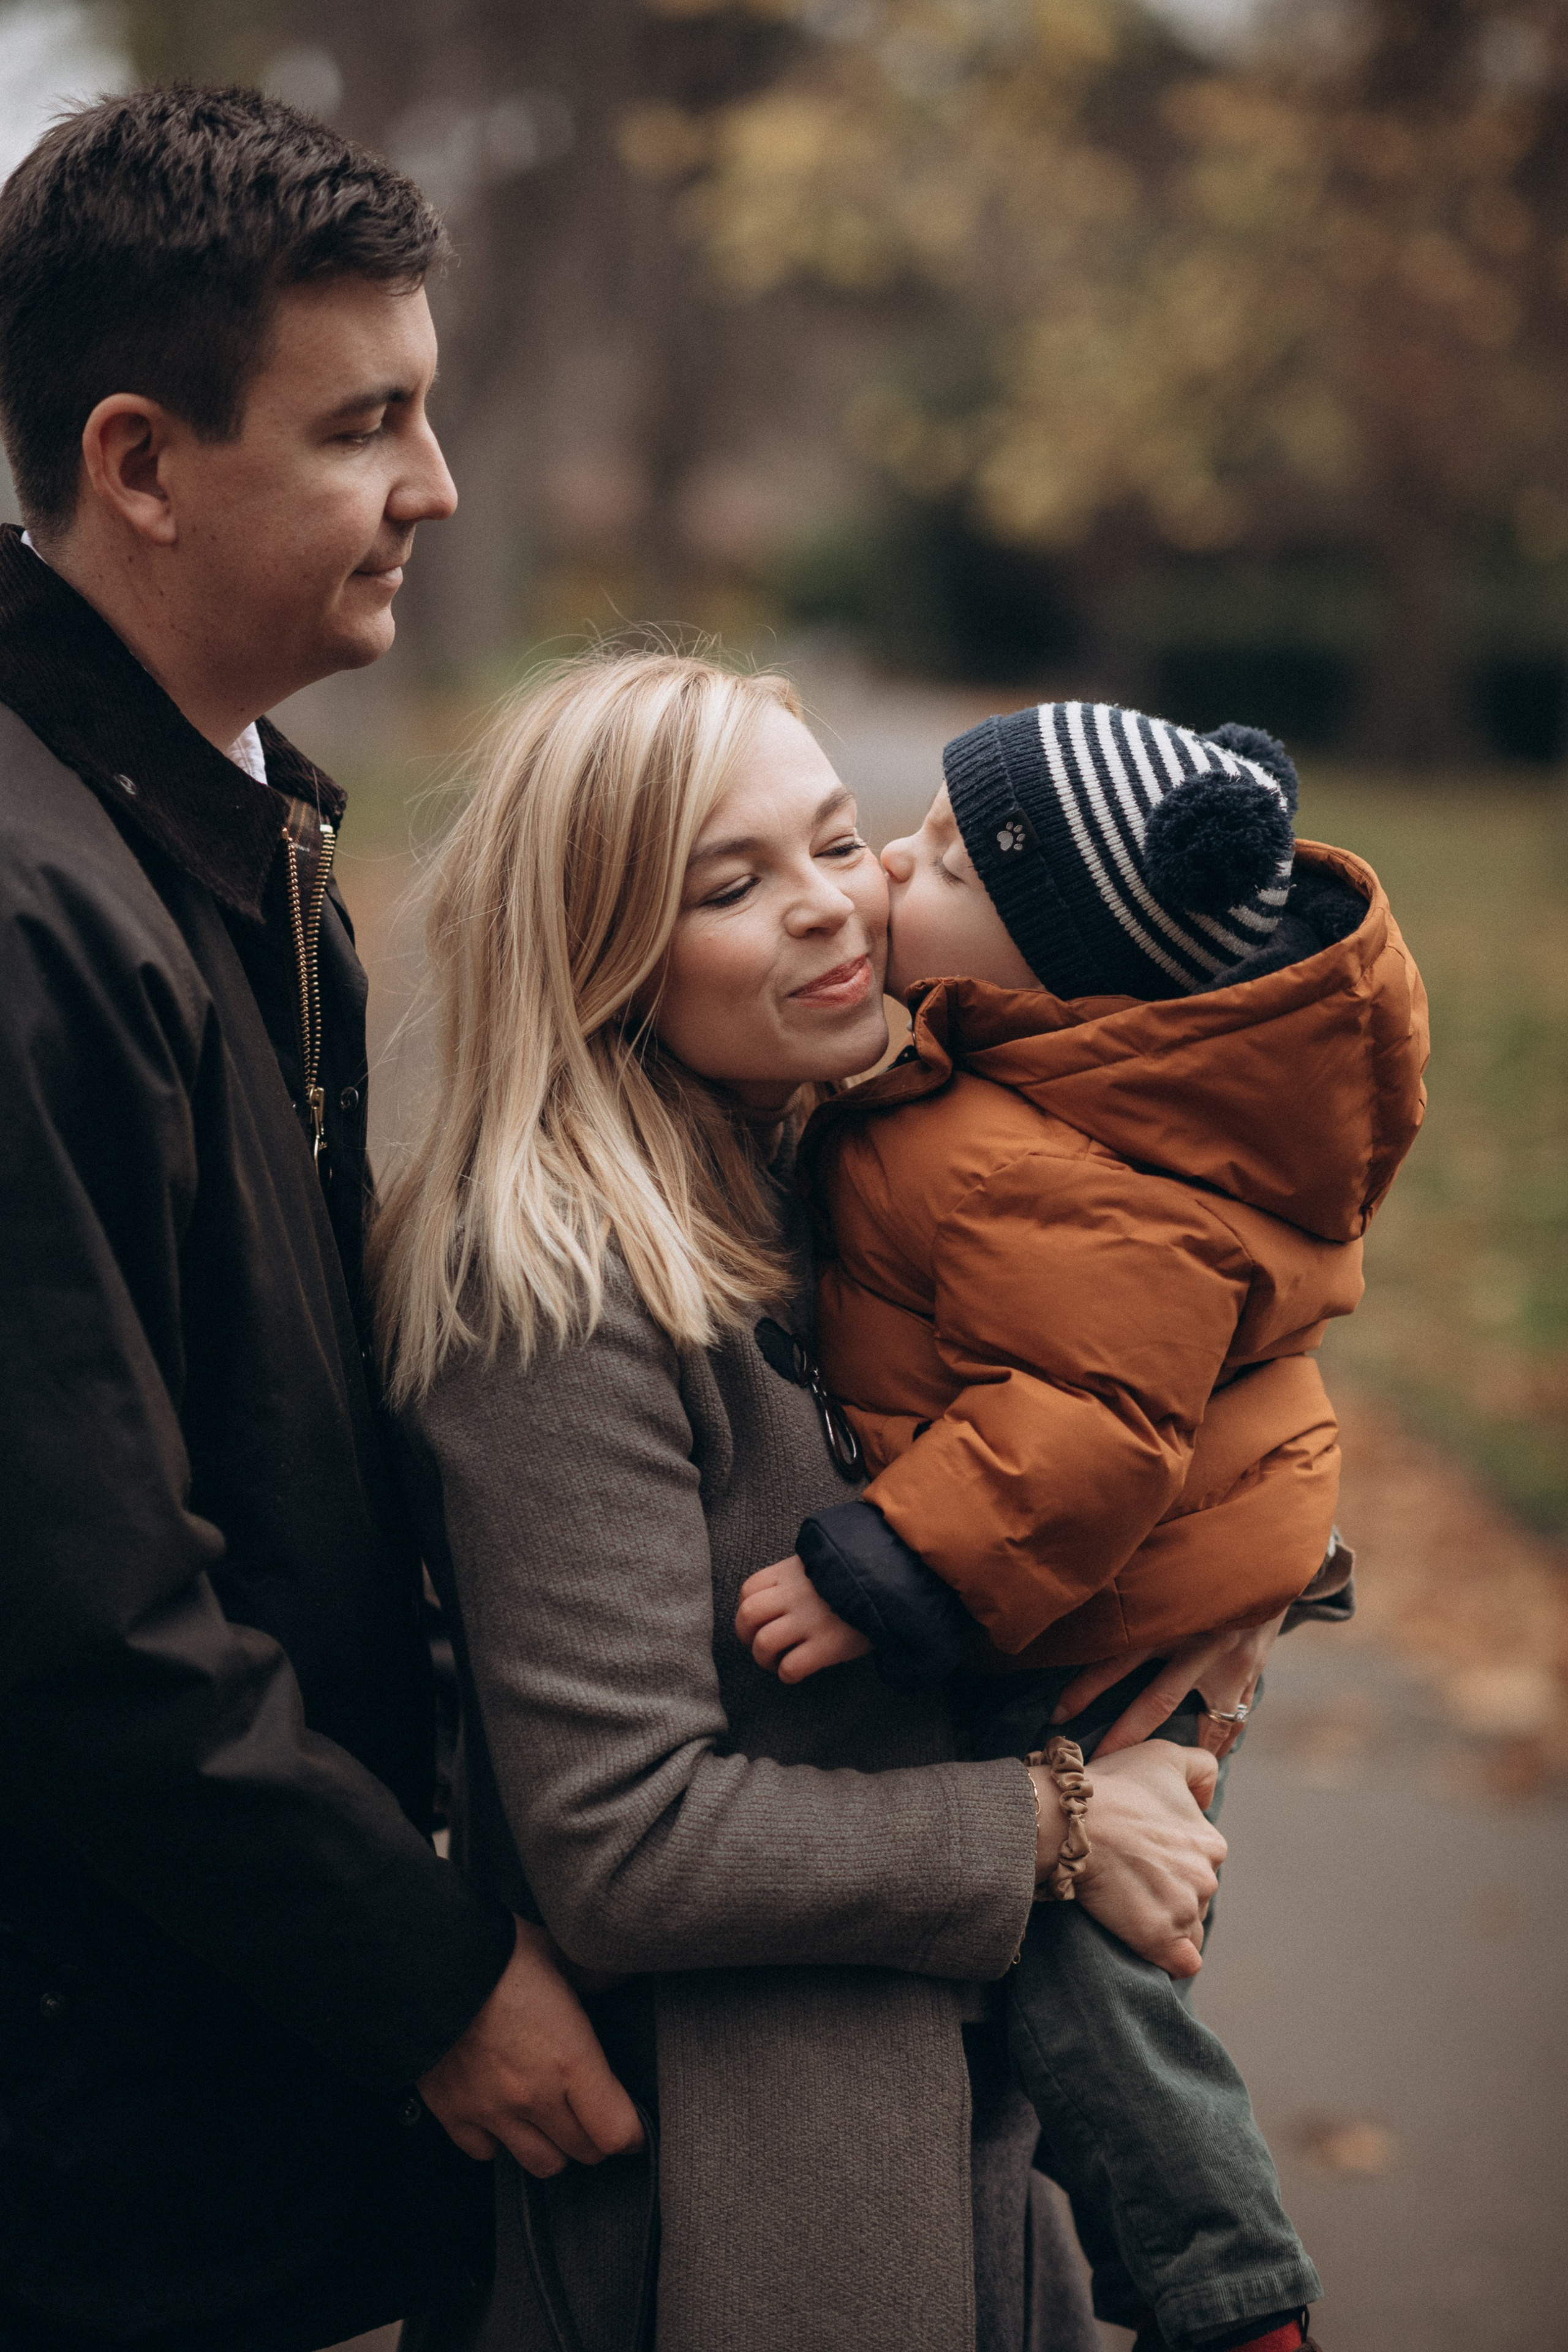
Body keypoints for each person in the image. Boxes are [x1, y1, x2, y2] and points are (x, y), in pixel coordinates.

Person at [372, 650, 1237, 2352]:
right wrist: (1055, 1828)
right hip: (739, 2194)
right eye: (735, 884)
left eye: (839, 843)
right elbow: (622, 1838)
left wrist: (1252, 1589)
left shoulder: (844, 1172)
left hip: (955, 2128)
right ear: (606, 948)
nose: (836, 909)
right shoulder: (549, 1290)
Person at [0, 87, 639, 2352]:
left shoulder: (222, 825)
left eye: (431, 412)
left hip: (228, 2067)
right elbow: (80, 1616)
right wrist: (438, 1981)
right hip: (104, 2150)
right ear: (139, 462)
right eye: (367, 425)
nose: (436, 490)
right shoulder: (31, 909)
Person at [734, 701, 1430, 2352]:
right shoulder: (1028, 1072)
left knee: (1083, 1965)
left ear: (1068, 960)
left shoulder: (1060, 1168)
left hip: (1101, 1613)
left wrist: (888, 1567)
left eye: (948, 861)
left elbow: (1087, 1435)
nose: (894, 867)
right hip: (1114, 1586)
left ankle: (1225, 2290)